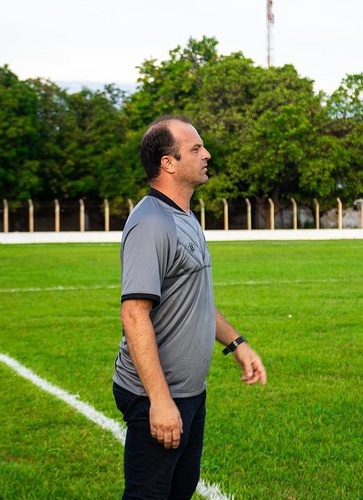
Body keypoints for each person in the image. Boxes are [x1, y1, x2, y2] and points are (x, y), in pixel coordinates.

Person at [113, 115, 267, 499]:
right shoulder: (151, 223)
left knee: (179, 492)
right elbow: (134, 314)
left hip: (189, 393)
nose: (207, 154)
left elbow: (196, 300)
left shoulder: (184, 215)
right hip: (158, 394)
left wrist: (236, 343)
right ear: (168, 162)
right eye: (195, 148)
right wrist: (161, 402)